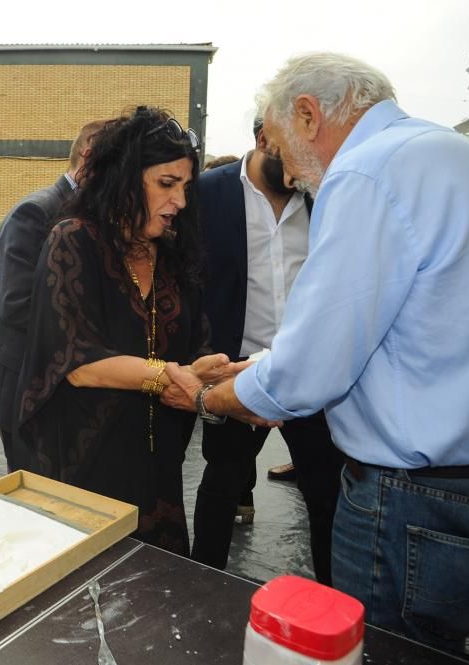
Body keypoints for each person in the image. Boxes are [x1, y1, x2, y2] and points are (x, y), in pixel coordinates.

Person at [165, 53, 469, 652]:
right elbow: (397, 330)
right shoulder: (464, 159)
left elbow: (311, 369)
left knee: (381, 648)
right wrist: (263, 370)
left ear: (309, 115)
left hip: (409, 505)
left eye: (283, 144)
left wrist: (213, 395)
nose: (289, 170)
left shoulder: (366, 175)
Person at [14, 107, 236, 555]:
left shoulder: (176, 258)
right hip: (85, 468)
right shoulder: (73, 241)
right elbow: (81, 364)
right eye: (166, 184)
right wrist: (175, 377)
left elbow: (194, 350)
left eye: (186, 188)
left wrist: (221, 374)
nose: (181, 202)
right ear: (125, 178)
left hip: (160, 473)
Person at [192, 112, 344, 584]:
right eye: (299, 151)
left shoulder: (324, 197)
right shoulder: (207, 193)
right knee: (221, 485)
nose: (308, 164)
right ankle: (202, 590)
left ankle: (331, 604)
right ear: (264, 139)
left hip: (308, 373)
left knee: (327, 494)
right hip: (237, 371)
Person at [0, 119, 106, 470]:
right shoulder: (36, 212)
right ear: (89, 157)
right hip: (23, 386)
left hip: (55, 383)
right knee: (33, 499)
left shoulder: (90, 211)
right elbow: (17, 306)